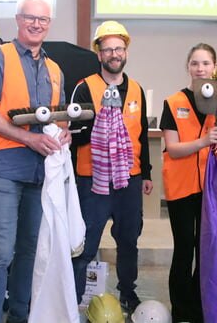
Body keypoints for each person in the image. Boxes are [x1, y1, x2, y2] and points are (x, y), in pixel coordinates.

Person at [0, 0, 71, 323]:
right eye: (30, 17)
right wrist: (29, 138)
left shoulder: (55, 70)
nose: (36, 24)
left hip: (40, 173)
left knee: (29, 252)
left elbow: (56, 118)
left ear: (49, 24)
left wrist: (63, 132)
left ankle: (19, 317)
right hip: (3, 168)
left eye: (42, 19)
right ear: (18, 19)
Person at [70, 20, 153, 313]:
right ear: (99, 53)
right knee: (86, 242)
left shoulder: (137, 90)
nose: (114, 54)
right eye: (108, 49)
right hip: (93, 179)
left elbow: (141, 133)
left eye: (119, 48)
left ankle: (127, 291)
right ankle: (73, 297)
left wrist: (147, 174)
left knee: (129, 239)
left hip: (129, 179)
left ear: (126, 51)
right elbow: (74, 135)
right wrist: (101, 124)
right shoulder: (84, 88)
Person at [159, 43, 217, 323]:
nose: (200, 68)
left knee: (206, 251)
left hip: (211, 190)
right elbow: (173, 148)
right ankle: (181, 310)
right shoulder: (173, 102)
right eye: (194, 63)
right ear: (187, 67)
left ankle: (200, 305)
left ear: (214, 67)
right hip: (181, 189)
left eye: (205, 63)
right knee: (183, 250)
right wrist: (204, 141)